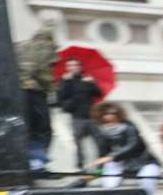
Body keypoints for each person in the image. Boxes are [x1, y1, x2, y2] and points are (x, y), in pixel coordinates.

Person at [91, 102, 162, 195]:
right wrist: (98, 171)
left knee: (147, 180)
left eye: (113, 113)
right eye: (106, 114)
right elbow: (102, 155)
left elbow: (133, 146)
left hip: (144, 163)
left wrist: (112, 157)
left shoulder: (130, 128)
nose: (110, 116)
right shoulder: (102, 133)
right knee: (109, 182)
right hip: (121, 165)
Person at [14, 23, 57, 170]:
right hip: (34, 91)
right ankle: (37, 164)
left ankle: (27, 162)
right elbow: (41, 73)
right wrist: (51, 87)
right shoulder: (44, 46)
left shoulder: (19, 46)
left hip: (16, 91)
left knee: (27, 128)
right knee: (43, 129)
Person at [56, 58, 103, 167]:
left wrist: (92, 83)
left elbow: (99, 94)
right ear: (67, 68)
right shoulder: (64, 81)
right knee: (78, 142)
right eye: (70, 65)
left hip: (92, 116)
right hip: (77, 117)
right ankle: (80, 163)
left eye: (75, 65)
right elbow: (60, 98)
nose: (72, 67)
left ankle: (101, 162)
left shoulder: (87, 79)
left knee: (99, 140)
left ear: (80, 67)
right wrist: (66, 82)